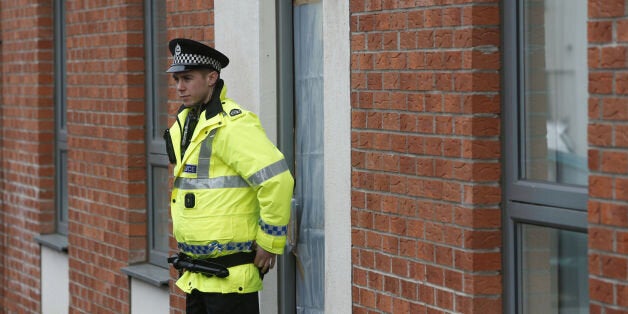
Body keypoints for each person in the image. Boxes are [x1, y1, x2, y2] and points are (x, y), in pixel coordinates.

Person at [163, 38, 294, 314]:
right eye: (176, 79)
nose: (180, 87)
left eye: (187, 78)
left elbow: (277, 180)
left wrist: (269, 243)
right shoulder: (186, 124)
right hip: (196, 276)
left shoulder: (233, 125)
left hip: (230, 279)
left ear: (212, 77)